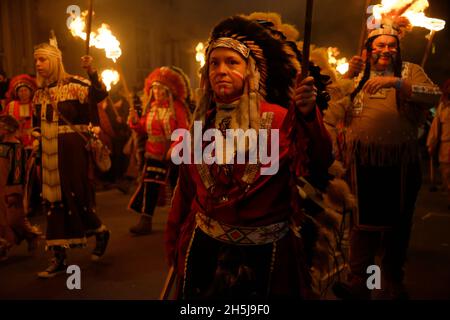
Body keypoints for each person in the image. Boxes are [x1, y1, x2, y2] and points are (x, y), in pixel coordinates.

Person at [164, 15, 336, 300]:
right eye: (214, 63)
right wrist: (173, 242)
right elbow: (185, 192)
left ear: (251, 72)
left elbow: (318, 161)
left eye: (232, 63)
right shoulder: (199, 125)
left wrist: (308, 116)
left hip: (265, 259)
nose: (220, 70)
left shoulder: (282, 118)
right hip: (204, 252)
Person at [325, 21, 442, 299]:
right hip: (361, 162)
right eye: (380, 45)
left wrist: (398, 83)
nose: (386, 50)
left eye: (391, 45)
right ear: (368, 50)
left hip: (401, 162)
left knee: (397, 226)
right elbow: (328, 104)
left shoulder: (410, 71)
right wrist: (347, 75)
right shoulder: (356, 75)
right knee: (361, 227)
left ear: (398, 49)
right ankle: (361, 282)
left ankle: (390, 280)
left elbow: (434, 95)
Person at [32, 43, 111, 278]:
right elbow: (37, 123)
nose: (38, 64)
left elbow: (100, 94)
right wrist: (36, 137)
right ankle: (58, 256)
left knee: (74, 192)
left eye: (43, 60)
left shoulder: (76, 85)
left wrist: (91, 71)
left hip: (72, 148)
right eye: (36, 60)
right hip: (48, 150)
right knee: (52, 201)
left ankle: (99, 230)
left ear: (55, 61)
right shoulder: (39, 93)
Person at [128, 66, 191, 235]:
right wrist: (135, 122)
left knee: (176, 188)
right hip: (153, 154)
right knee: (150, 185)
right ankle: (145, 219)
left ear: (168, 91)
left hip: (173, 155)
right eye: (154, 88)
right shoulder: (152, 107)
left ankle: (180, 220)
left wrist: (174, 147)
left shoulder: (177, 107)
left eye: (159, 88)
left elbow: (184, 130)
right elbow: (143, 129)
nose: (156, 91)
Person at [0, 115, 41, 261]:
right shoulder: (2, 145)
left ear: (7, 129)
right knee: (1, 220)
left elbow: (18, 172)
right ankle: (3, 247)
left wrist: (14, 192)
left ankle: (30, 235)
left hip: (10, 189)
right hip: (0, 187)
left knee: (14, 219)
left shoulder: (16, 146)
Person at [427, 79, 450, 209]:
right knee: (446, 175)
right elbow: (436, 127)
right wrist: (431, 144)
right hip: (446, 146)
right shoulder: (442, 107)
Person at [3, 74, 37, 152]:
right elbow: (4, 121)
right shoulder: (11, 105)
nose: (23, 93)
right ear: (17, 93)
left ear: (30, 92)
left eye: (25, 90)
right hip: (13, 141)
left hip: (32, 142)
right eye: (20, 91)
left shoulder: (34, 105)